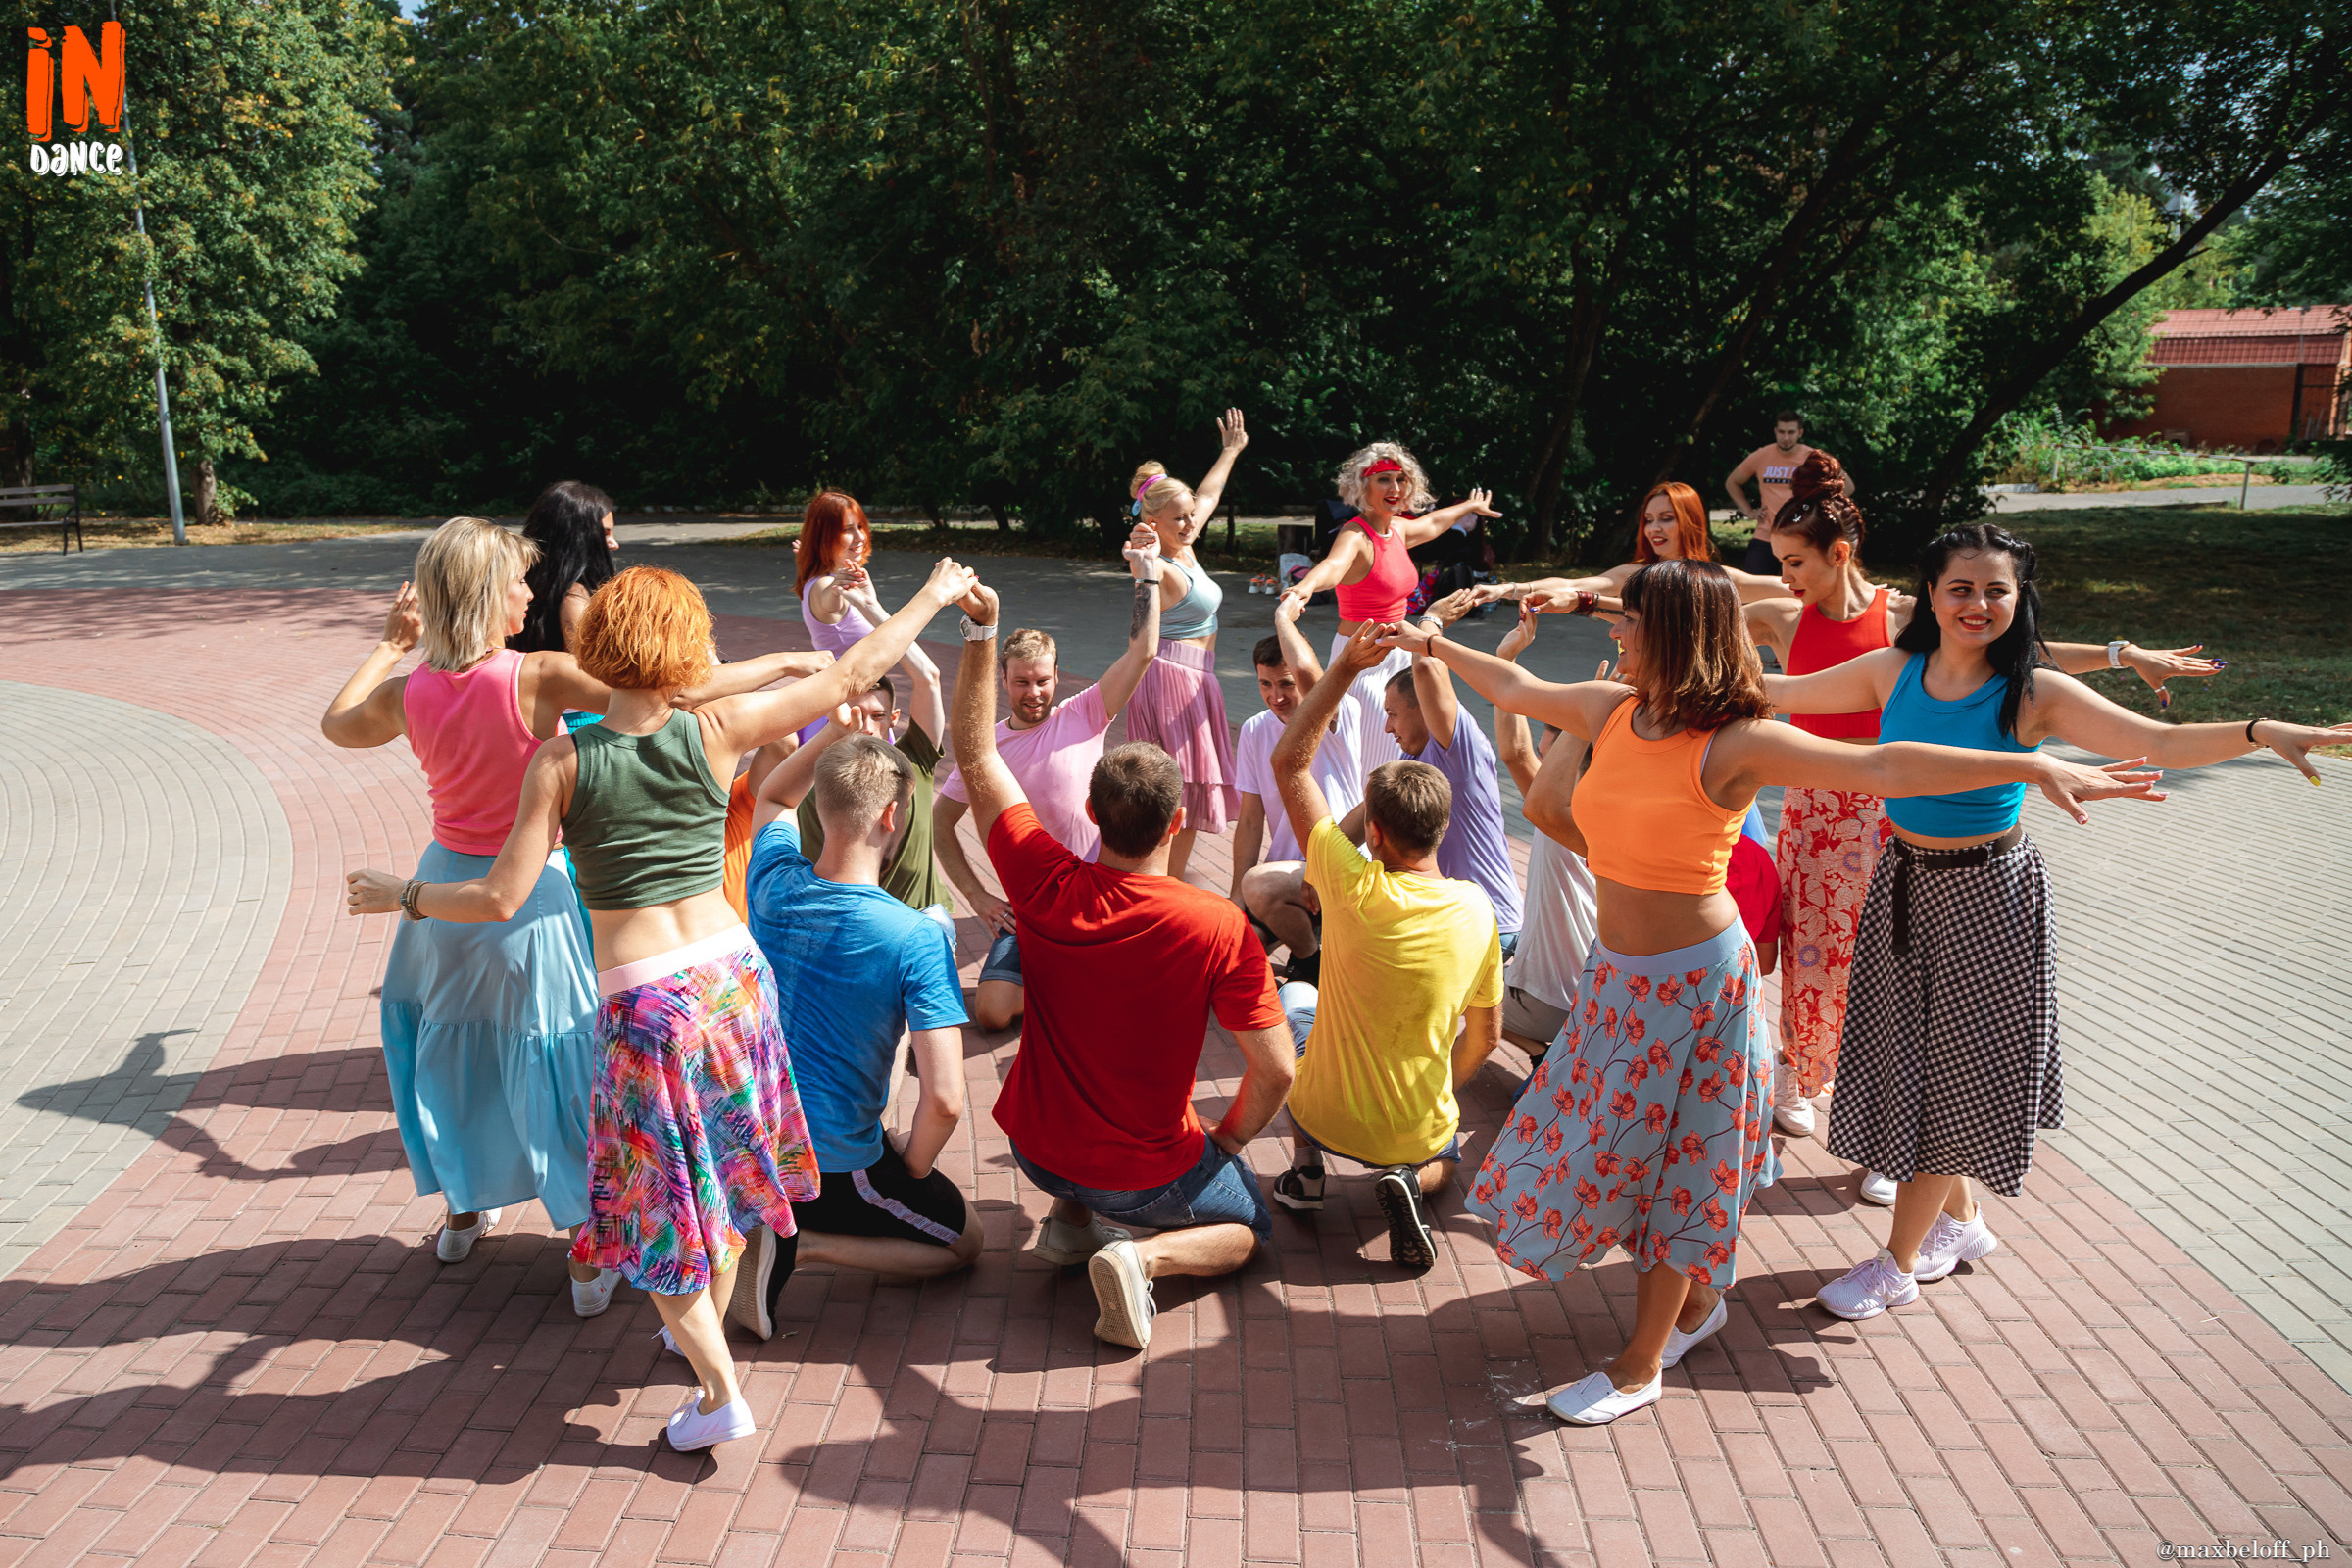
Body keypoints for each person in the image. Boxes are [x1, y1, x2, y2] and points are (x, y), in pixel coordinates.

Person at [1401, 557, 2164, 1424]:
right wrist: (1430, 643)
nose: (1616, 633)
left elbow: (1884, 764)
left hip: (1698, 991)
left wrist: (2028, 770)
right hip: (1616, 980)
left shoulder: (1740, 740)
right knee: (1591, 1149)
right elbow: (1514, 683)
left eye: (1631, 621)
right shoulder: (1612, 710)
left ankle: (1638, 1364)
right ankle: (1693, 1306)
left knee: (1673, 1170)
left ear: (1675, 634)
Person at [345, 555, 977, 1451]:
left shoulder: (564, 760)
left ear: (600, 645)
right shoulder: (713, 728)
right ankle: (703, 1348)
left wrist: (399, 894)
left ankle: (719, 1390)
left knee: (659, 1217)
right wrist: (933, 597)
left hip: (649, 1009)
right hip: (735, 982)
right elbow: (852, 672)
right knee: (715, 1189)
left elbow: (496, 897)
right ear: (686, 651)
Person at [1762, 522, 2348, 1324]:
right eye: (1960, 588)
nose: (1978, 604)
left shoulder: (2032, 691)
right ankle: (1961, 1225)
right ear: (1929, 594)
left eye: (1996, 590)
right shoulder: (1892, 670)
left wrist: (2258, 731)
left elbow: (2158, 742)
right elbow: (1781, 696)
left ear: (2019, 597)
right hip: (1902, 881)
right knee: (1925, 1063)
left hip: (1986, 897)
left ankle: (1896, 1264)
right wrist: (1651, 682)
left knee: (1954, 1075)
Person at [1745, 456, 2218, 1171]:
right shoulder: (1785, 612)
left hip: (1888, 806)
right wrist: (1621, 634)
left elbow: (2024, 653)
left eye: (1794, 561)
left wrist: (2122, 654)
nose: (1785, 575)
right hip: (1815, 800)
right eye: (1778, 562)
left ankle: (1903, 1149)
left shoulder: (1904, 615)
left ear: (1836, 553)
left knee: (1878, 975)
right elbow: (1726, 638)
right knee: (1811, 947)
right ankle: (1805, 1072)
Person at [949, 568, 1297, 1350]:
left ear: (1090, 816)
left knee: (1087, 1154)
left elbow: (975, 752)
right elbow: (1276, 1070)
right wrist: (1228, 1145)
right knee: (1250, 1230)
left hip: (1034, 1151)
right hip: (1138, 1176)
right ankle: (1142, 1258)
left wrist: (981, 634)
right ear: (1178, 820)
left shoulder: (1040, 875)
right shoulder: (1217, 925)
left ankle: (1069, 1223)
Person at [1264, 624, 1505, 1269]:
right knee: (1443, 1157)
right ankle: (1409, 1180)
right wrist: (1441, 1095)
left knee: (1294, 998)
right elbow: (1484, 1037)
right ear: (1441, 827)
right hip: (1412, 1126)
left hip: (1325, 1111)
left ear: (1372, 832)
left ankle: (1307, 1166)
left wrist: (1343, 667)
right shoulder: (1476, 911)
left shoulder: (1348, 881)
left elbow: (1288, 763)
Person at [731, 717, 981, 1339]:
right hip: (830, 1163)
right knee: (965, 1244)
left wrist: (833, 732)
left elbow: (771, 796)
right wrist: (913, 1169)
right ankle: (803, 1244)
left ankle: (762, 1225)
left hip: (753, 1138)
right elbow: (946, 1101)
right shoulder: (917, 936)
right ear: (892, 818)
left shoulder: (772, 881)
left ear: (821, 801)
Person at [934, 549, 1162, 1033]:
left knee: (1134, 996)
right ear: (1003, 681)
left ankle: (1074, 979)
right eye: (1021, 682)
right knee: (992, 1013)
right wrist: (977, 898)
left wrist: (1147, 577)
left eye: (1042, 680)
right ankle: (1061, 982)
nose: (1033, 692)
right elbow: (939, 824)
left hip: (1096, 894)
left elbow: (1143, 651)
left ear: (1058, 677)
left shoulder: (1085, 713)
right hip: (1031, 908)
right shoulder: (986, 748)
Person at [1276, 442, 1501, 781]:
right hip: (1362, 661)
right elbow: (1333, 566)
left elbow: (1435, 522)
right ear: (1361, 487)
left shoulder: (1398, 529)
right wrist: (1304, 588)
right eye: (1383, 479)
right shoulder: (1354, 535)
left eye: (1400, 479)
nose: (1394, 489)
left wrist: (1469, 505)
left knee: (1398, 759)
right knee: (1367, 768)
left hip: (1401, 654)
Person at [1121, 408, 1250, 882]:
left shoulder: (1185, 545)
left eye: (1191, 515)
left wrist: (1231, 450)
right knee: (1174, 793)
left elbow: (1209, 494)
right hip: (1171, 680)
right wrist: (1142, 565)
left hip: (1199, 678)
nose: (1191, 523)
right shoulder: (1157, 563)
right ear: (1152, 521)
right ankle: (1159, 883)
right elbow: (1139, 631)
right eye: (1179, 518)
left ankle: (1163, 880)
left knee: (1186, 796)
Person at [1379, 589, 1526, 949]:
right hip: (1454, 930)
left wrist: (1431, 617)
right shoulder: (1411, 765)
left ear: (1423, 708)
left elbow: (1428, 667)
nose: (1387, 728)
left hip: (1493, 932)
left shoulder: (1458, 752)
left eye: (1392, 715)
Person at [1488, 608, 1600, 1068]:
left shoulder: (1558, 815)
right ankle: (1554, 1055)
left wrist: (1582, 716)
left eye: (1549, 753)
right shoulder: (1602, 813)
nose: (1538, 757)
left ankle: (1548, 1057)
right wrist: (1506, 661)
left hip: (1553, 1000)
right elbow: (1514, 750)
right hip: (1596, 999)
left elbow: (1514, 752)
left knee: (1451, 986)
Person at [1232, 596, 1366, 982]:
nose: (1277, 697)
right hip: (1284, 882)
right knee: (1227, 958)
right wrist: (1237, 900)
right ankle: (1312, 953)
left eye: (1286, 684)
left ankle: (1309, 962)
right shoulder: (1256, 730)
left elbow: (1309, 670)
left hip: (1338, 872)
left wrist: (1281, 616)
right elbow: (1250, 821)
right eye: (1265, 684)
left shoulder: (1338, 712)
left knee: (1259, 885)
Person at [1481, 481, 1785, 612]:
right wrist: (1508, 589)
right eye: (1649, 520)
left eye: (1666, 518)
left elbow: (1782, 587)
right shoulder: (1638, 573)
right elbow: (1575, 583)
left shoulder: (1714, 578)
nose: (1654, 528)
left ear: (1690, 521)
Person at [794, 490, 947, 744]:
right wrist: (845, 593)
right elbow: (828, 602)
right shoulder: (826, 588)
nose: (860, 536)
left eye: (861, 526)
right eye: (847, 530)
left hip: (857, 708)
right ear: (824, 536)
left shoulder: (818, 579)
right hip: (849, 715)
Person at [1724, 411, 1853, 574]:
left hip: (1802, 538)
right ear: (1775, 431)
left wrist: (1819, 510)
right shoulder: (1762, 455)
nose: (1785, 438)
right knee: (1751, 591)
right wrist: (1749, 511)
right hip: (1766, 537)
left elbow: (1847, 486)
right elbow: (1732, 482)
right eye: (1781, 432)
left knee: (1801, 594)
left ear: (1800, 433)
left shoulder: (1813, 458)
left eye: (1791, 432)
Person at [509, 480, 618, 655]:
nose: (614, 544)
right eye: (605, 533)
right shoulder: (574, 597)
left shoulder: (520, 582)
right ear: (579, 537)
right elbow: (588, 671)